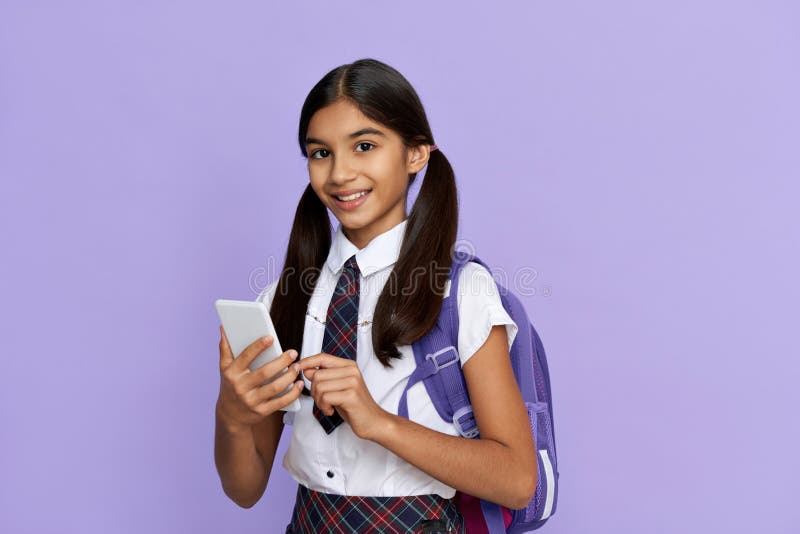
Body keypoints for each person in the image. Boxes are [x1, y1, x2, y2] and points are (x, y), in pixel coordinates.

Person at [214, 58, 537, 534]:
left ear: (415, 154)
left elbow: (516, 480)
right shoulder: (283, 298)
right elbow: (244, 490)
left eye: (364, 146)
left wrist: (377, 421)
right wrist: (232, 413)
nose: (340, 173)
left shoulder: (459, 293)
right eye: (320, 153)